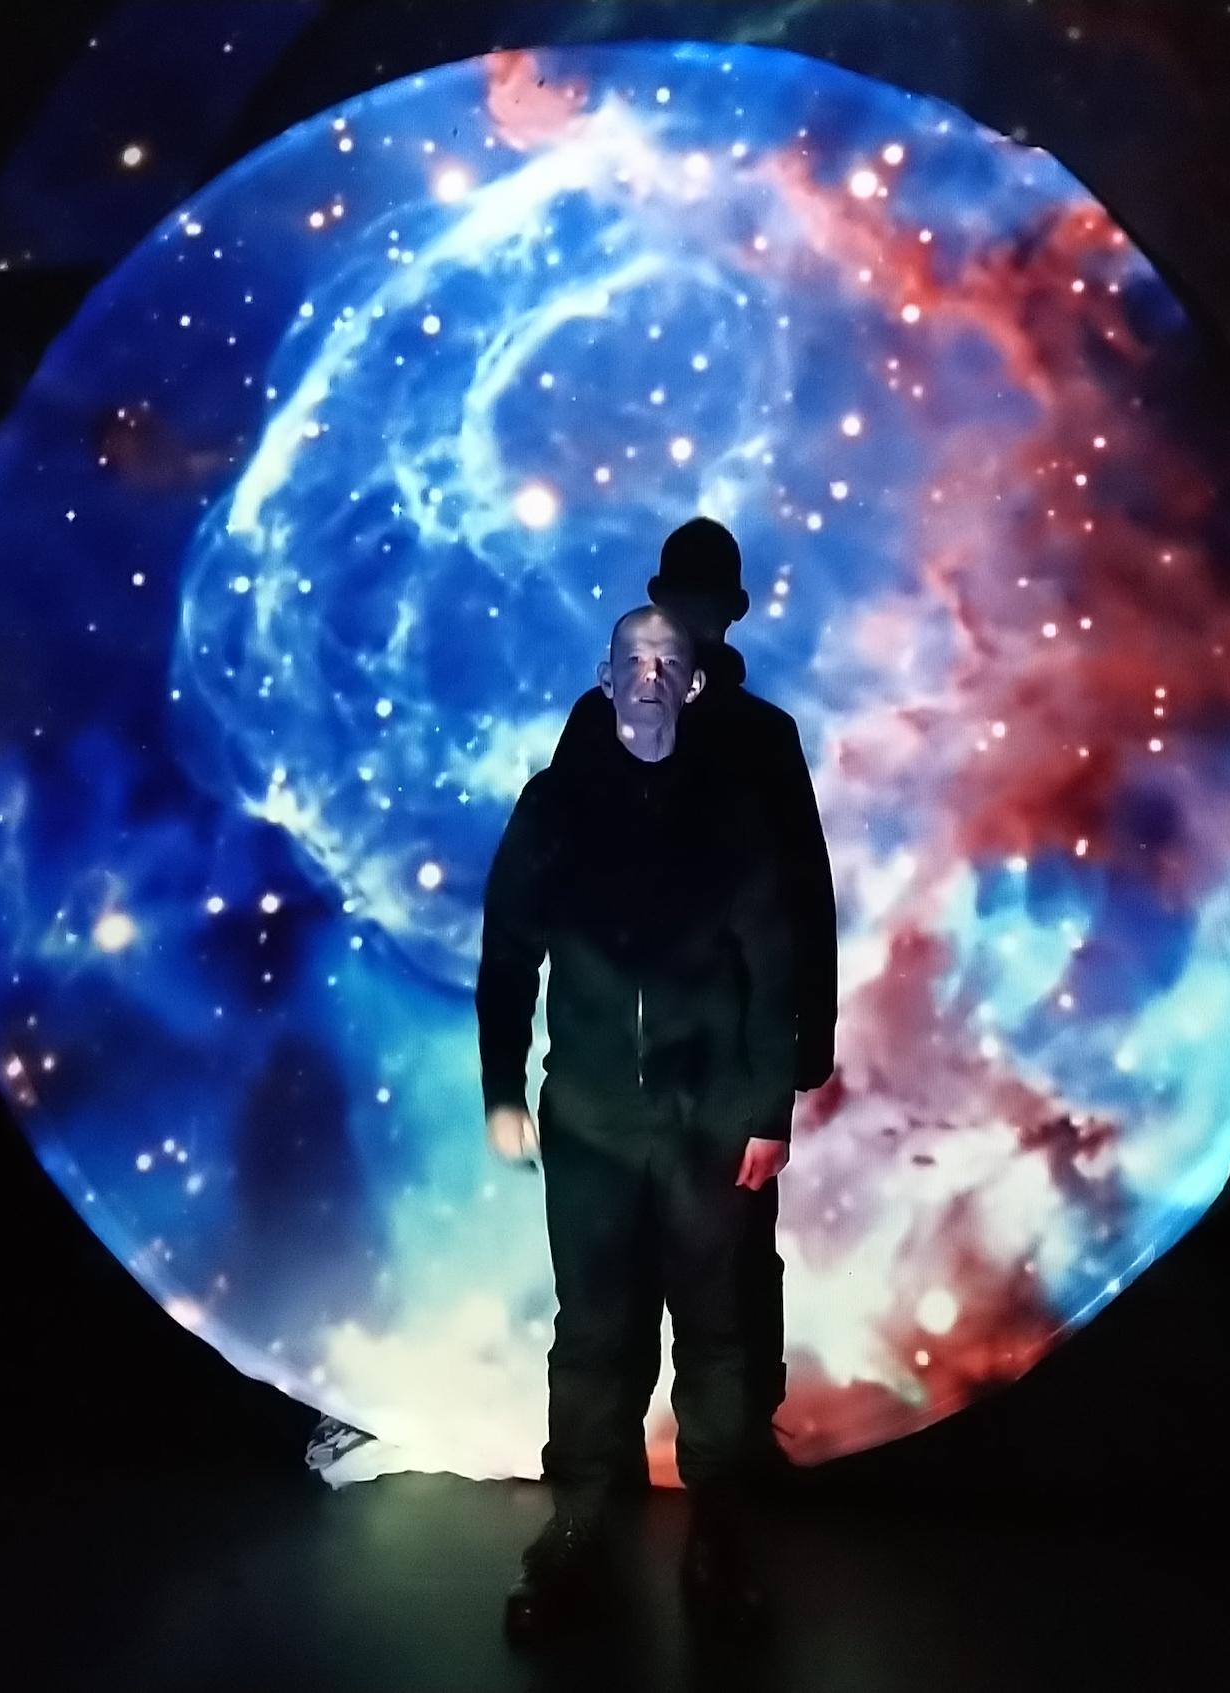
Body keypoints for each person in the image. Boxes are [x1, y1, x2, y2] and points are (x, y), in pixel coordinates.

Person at [477, 600, 804, 1643]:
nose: (652, 674)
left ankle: (719, 1532)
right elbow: (506, 956)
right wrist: (501, 1088)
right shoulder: (556, 805)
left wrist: (765, 1109)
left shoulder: (734, 809)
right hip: (591, 1123)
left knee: (715, 1336)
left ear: (695, 680)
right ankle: (574, 1526)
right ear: (605, 674)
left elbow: (774, 964)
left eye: (669, 659)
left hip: (709, 1124)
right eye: (634, 658)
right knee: (594, 1337)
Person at [548, 518, 838, 1463]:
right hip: (615, 1078)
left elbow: (800, 906)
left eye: (699, 605)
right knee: (609, 1312)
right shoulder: (600, 727)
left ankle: (723, 1520)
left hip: (715, 1081)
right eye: (679, 603)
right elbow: (557, 880)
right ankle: (599, 1521)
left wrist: (793, 1064)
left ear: (721, 614)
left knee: (725, 1310)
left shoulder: (759, 739)